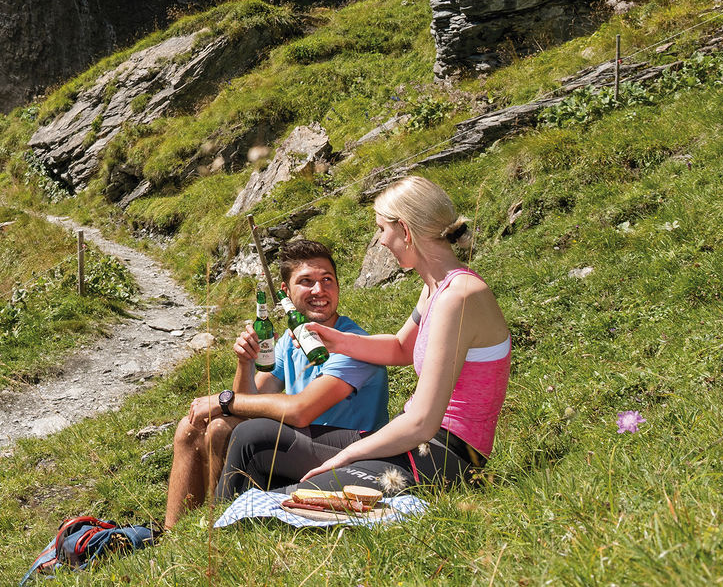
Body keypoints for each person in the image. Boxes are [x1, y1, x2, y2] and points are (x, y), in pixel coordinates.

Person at [214, 175, 511, 501]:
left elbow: (423, 422)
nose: (381, 241)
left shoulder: (460, 297)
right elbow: (401, 348)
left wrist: (347, 456)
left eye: (383, 229)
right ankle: (215, 537)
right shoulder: (437, 287)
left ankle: (237, 527)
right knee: (249, 436)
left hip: (444, 457)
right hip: (417, 443)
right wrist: (337, 340)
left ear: (407, 232)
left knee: (294, 497)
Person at [163, 239, 389, 528]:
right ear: (286, 292)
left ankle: (213, 528)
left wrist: (223, 400)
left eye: (327, 280)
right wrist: (245, 362)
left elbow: (300, 411)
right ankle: (174, 536)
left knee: (220, 427)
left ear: (337, 286)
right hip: (302, 443)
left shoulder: (353, 344)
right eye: (306, 281)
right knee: (189, 428)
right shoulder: (288, 343)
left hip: (349, 453)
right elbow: (249, 406)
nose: (319, 290)